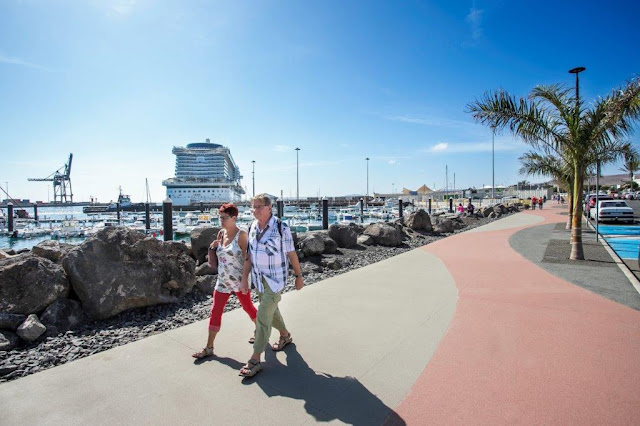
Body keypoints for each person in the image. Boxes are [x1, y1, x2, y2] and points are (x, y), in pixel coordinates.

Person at [238, 194, 304, 377]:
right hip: (259, 279)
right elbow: (248, 257)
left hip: (275, 280)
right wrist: (244, 279)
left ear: (269, 207)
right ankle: (285, 335)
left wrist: (298, 276)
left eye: (259, 207)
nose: (255, 210)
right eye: (253, 207)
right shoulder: (251, 227)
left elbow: (291, 254)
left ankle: (255, 359)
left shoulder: (281, 228)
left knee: (262, 317)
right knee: (272, 311)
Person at [192, 203, 258, 359]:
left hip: (239, 280)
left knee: (248, 307)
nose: (221, 220)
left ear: (234, 218)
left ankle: (261, 330)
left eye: (224, 218)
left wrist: (244, 280)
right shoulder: (221, 233)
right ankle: (209, 347)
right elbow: (219, 254)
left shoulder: (241, 235)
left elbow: (248, 259)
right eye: (220, 217)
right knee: (215, 311)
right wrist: (213, 246)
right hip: (222, 281)